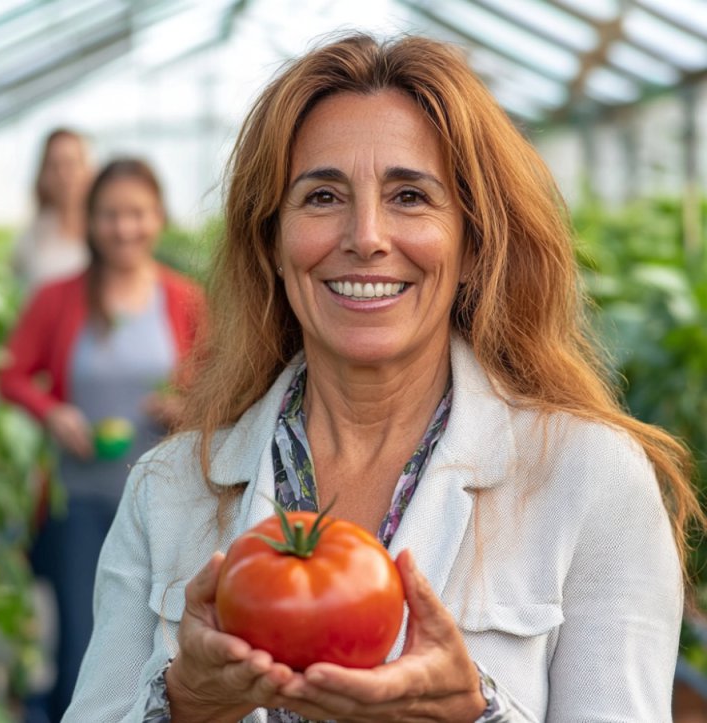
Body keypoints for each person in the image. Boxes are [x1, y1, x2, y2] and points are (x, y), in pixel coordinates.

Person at [64, 32, 706, 722]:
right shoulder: (168, 492)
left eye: (409, 195)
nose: (366, 235)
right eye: (321, 197)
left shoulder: (593, 479)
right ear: (271, 244)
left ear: (472, 243)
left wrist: (476, 716)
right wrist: (183, 704)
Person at [0, 158, 207, 720]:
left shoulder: (184, 299)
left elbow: (223, 387)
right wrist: (54, 413)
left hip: (167, 503)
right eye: (111, 215)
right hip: (79, 500)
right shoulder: (57, 297)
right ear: (90, 222)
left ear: (158, 218)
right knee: (83, 649)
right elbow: (10, 373)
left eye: (137, 214)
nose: (124, 228)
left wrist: (185, 408)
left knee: (162, 645)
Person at [11, 128, 93, 294]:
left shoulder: (106, 229)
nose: (63, 175)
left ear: (87, 169)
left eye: (71, 164)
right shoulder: (32, 237)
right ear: (43, 175)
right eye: (54, 166)